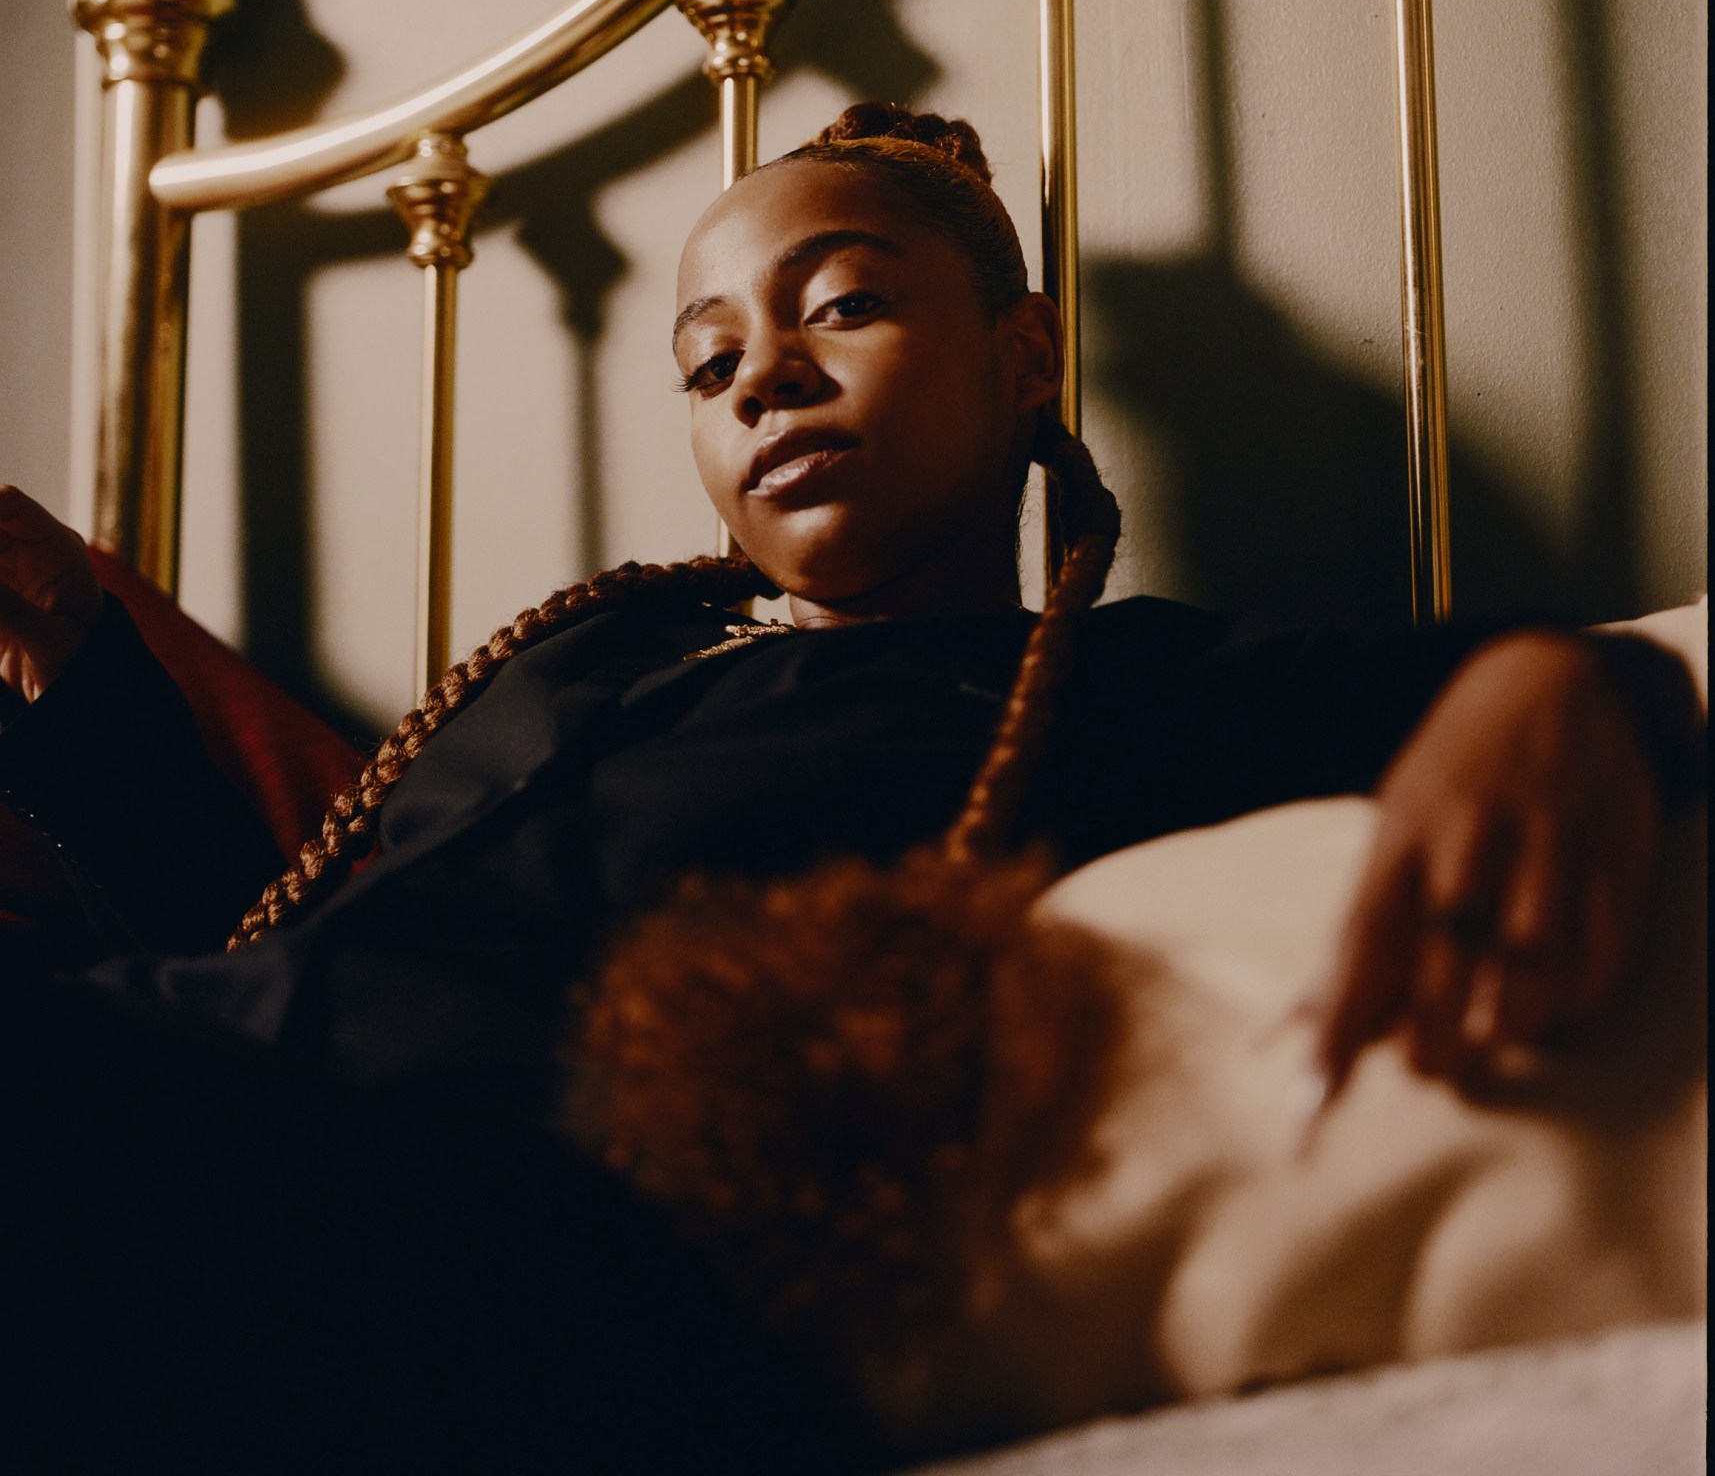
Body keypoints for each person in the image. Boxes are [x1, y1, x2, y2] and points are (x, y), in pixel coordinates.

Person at [0, 104, 1701, 1470]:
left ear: (1026, 360)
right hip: (195, 1093)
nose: (765, 374)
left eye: (845, 304)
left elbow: (1521, 683)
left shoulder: (1102, 687)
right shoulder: (573, 663)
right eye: (708, 358)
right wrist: (86, 685)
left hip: (508, 1233)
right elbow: (277, 941)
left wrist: (1570, 679)